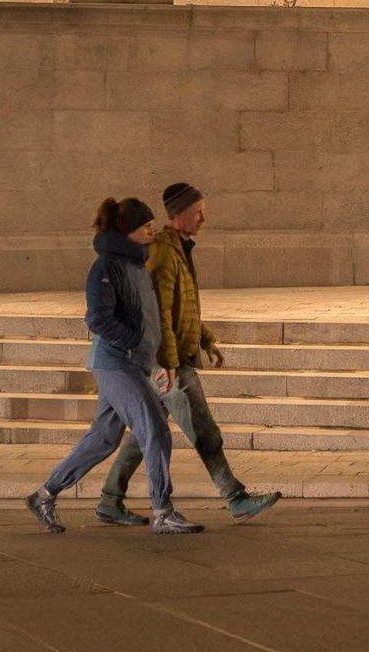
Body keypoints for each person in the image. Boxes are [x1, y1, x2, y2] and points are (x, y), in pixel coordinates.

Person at [93, 180, 283, 526]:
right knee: (202, 427)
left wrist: (206, 338)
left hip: (173, 355)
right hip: (170, 361)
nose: (204, 219)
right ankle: (235, 497)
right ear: (179, 215)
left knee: (144, 433)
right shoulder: (164, 250)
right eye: (199, 213)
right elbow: (160, 311)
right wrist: (166, 362)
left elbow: (185, 306)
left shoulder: (179, 247)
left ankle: (110, 499)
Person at [24, 197, 201, 534]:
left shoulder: (136, 265)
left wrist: (159, 358)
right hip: (116, 363)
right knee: (155, 430)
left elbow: (150, 320)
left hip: (133, 364)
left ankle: (44, 495)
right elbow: (98, 319)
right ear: (128, 231)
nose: (152, 228)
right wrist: (134, 344)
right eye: (145, 225)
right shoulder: (106, 268)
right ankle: (163, 511)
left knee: (104, 438)